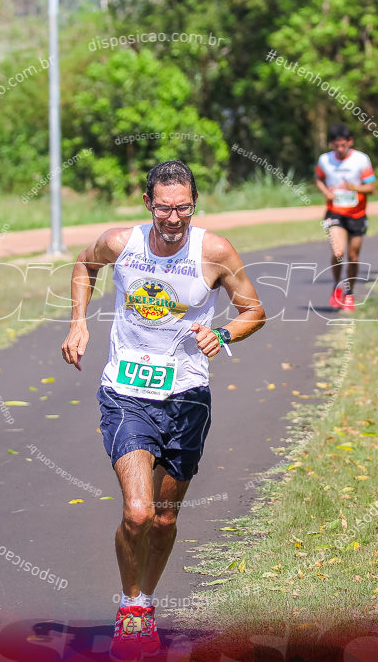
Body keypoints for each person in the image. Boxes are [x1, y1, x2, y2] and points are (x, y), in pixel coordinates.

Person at [61, 160, 265, 659]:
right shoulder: (119, 243)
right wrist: (78, 324)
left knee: (166, 519)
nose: (174, 218)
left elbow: (254, 311)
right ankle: (132, 610)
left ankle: (146, 601)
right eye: (165, 208)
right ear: (148, 203)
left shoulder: (213, 251)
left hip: (187, 394)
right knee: (138, 512)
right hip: (127, 390)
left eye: (184, 208)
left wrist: (220, 334)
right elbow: (85, 265)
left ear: (194, 203)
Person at [315, 123, 376, 311]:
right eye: (336, 146)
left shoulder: (361, 160)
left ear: (350, 142)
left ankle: (349, 293)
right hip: (335, 213)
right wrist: (326, 192)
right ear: (332, 144)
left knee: (353, 257)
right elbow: (318, 178)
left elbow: (371, 188)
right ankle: (336, 286)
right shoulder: (325, 160)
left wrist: (354, 187)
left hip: (357, 214)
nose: (340, 149)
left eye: (343, 145)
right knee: (338, 252)